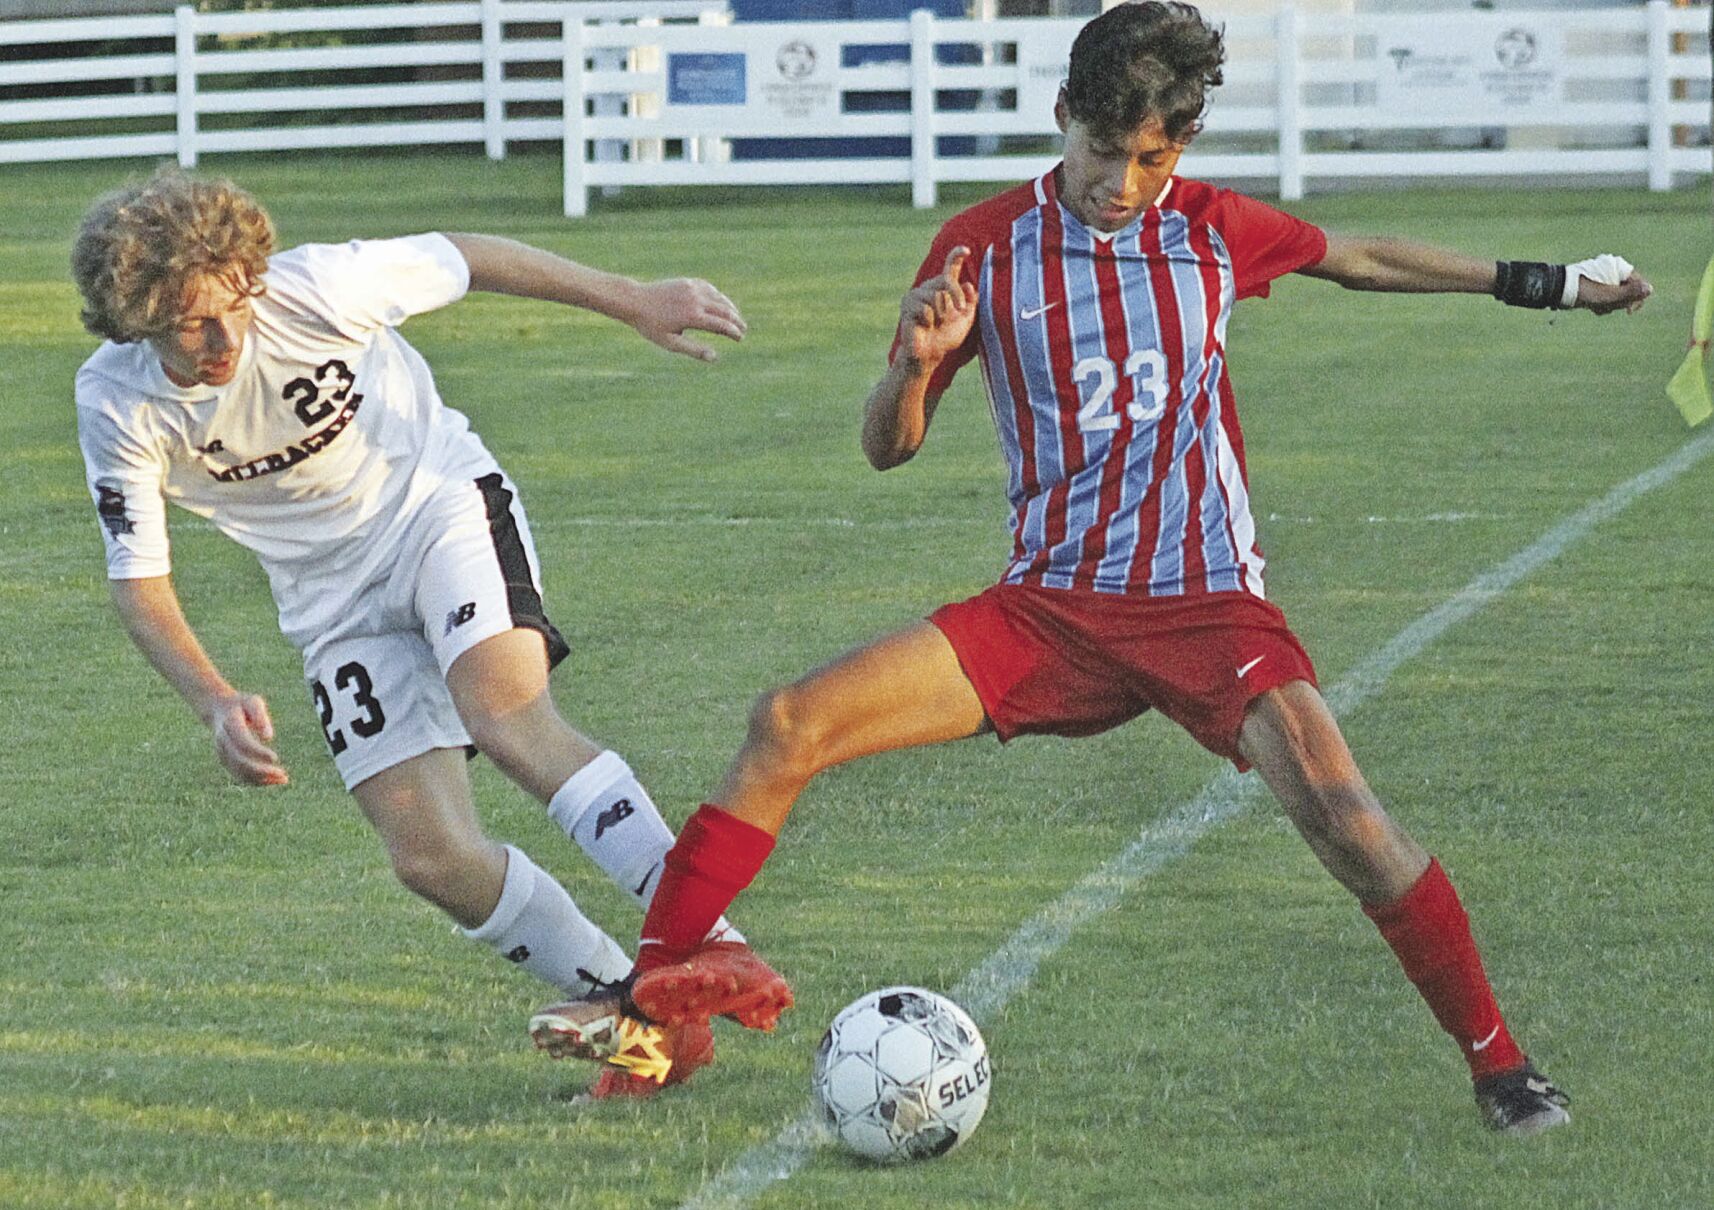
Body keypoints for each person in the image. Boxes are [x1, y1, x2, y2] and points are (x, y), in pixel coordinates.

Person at [528, 1, 1652, 1134]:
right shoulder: (980, 248)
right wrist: (915, 366)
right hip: (1049, 612)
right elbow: (886, 448)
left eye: (1151, 158)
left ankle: (1500, 1064)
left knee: (1347, 818)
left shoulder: (1212, 229)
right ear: (1062, 116)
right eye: (1102, 150)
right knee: (787, 720)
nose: (1121, 179)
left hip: (1209, 607)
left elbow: (1359, 258)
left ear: (1183, 145)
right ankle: (656, 1015)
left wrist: (1547, 281)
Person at [71, 167, 754, 1099]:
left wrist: (631, 299)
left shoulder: (317, 288)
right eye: (192, 324)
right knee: (428, 856)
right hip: (331, 603)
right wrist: (214, 699)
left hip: (436, 507)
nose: (227, 337)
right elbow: (138, 580)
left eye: (233, 305)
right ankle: (637, 1007)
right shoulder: (115, 400)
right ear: (137, 319)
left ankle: (713, 943)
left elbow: (469, 258)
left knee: (508, 715)